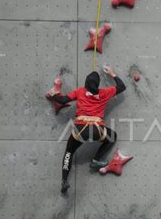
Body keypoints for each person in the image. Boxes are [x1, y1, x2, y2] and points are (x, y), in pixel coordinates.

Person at [47, 66, 126, 195]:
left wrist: (53, 95)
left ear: (85, 83)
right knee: (112, 136)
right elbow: (122, 87)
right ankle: (96, 160)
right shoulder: (104, 93)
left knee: (69, 152)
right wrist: (112, 73)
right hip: (97, 130)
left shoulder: (80, 92)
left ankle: (64, 180)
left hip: (80, 130)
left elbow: (63, 100)